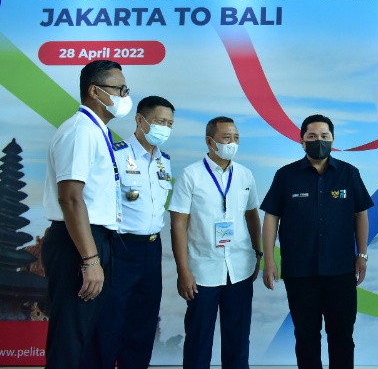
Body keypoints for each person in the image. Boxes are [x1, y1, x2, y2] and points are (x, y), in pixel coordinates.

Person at [261, 114, 373, 369]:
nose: (318, 141)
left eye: (324, 136)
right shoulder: (286, 175)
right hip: (300, 272)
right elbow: (271, 218)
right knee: (306, 336)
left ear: (332, 140)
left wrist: (362, 255)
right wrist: (269, 260)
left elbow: (360, 214)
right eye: (312, 136)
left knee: (342, 336)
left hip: (341, 270)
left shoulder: (348, 173)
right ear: (301, 141)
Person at [41, 59, 132, 369]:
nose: (124, 96)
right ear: (95, 91)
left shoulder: (99, 131)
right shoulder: (80, 131)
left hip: (95, 240)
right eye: (119, 89)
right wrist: (90, 259)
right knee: (70, 338)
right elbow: (70, 198)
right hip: (77, 243)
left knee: (90, 337)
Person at [85, 96, 175, 369]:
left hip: (152, 248)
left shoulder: (164, 162)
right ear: (140, 120)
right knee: (110, 321)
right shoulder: (116, 154)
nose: (166, 128)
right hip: (120, 247)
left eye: (170, 124)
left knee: (144, 322)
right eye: (160, 122)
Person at [168, 116, 261, 369]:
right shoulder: (191, 175)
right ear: (210, 141)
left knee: (238, 340)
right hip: (201, 272)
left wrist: (258, 253)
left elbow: (252, 214)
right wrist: (183, 271)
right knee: (198, 341)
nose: (232, 143)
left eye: (236, 138)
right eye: (227, 138)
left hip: (240, 269)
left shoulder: (244, 175)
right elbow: (178, 224)